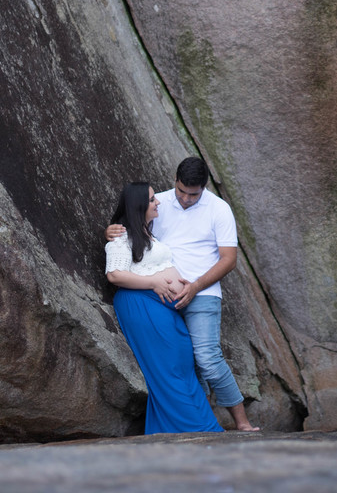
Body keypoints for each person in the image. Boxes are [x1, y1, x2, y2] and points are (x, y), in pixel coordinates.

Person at [107, 157, 259, 432]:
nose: (186, 199)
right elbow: (130, 232)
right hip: (163, 300)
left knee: (208, 359)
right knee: (185, 363)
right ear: (175, 181)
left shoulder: (219, 209)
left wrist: (196, 286)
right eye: (181, 191)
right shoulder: (159, 202)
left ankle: (242, 422)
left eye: (194, 194)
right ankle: (198, 424)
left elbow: (229, 259)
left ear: (204, 187)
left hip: (202, 294)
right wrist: (112, 231)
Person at [105, 182, 223, 434]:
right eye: (151, 199)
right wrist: (153, 283)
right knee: (167, 369)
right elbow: (115, 275)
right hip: (142, 305)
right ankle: (199, 430)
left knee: (182, 362)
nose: (157, 201)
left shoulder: (148, 232)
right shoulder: (121, 238)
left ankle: (178, 429)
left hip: (163, 307)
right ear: (139, 206)